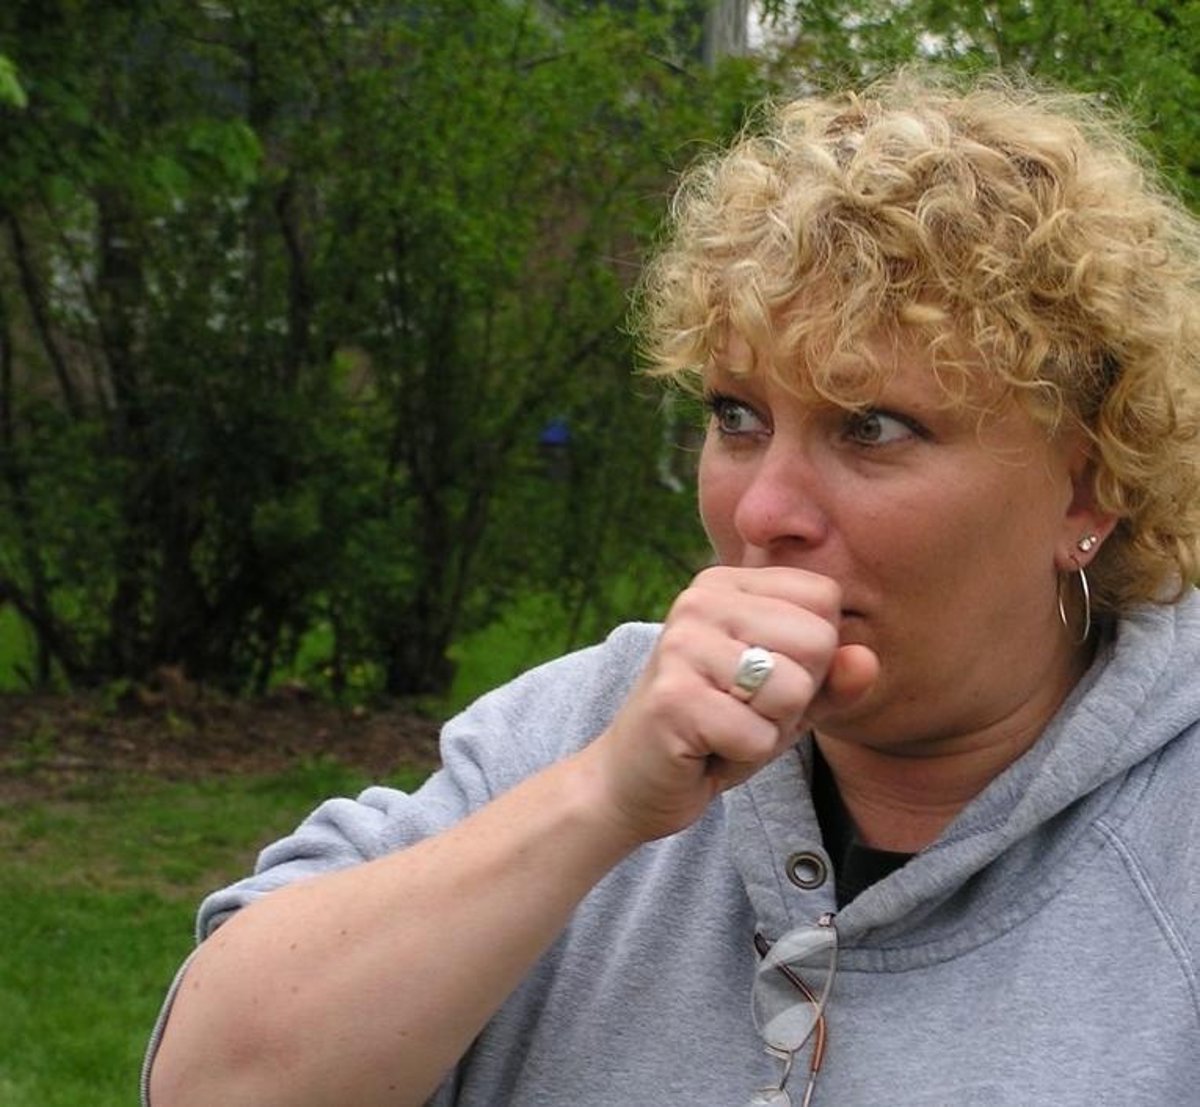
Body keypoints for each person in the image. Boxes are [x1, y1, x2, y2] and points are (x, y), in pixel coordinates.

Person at [143, 68, 1200, 1107]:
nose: (762, 510)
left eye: (871, 427)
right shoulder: (586, 729)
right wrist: (601, 802)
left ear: (1088, 487)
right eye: (737, 417)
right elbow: (209, 1086)